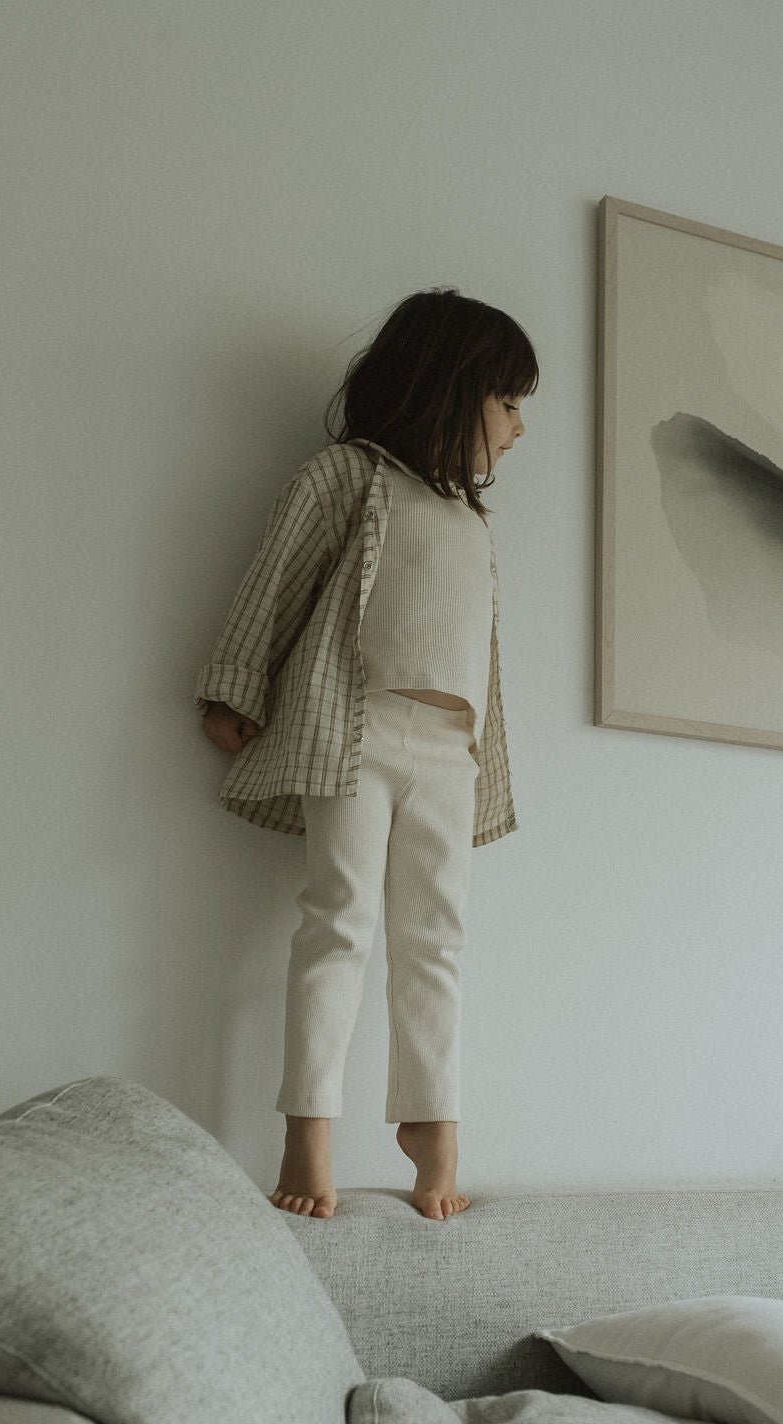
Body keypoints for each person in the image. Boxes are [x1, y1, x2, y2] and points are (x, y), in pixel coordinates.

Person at [196, 288, 538, 1222]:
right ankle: (307, 1130)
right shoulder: (350, 477)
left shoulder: (472, 523)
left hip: (449, 758)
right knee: (338, 922)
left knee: (436, 943)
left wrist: (479, 766)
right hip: (354, 734)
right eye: (508, 404)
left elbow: (481, 659)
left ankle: (434, 1125)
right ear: (451, 387)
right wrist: (236, 683)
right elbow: (278, 580)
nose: (517, 430)